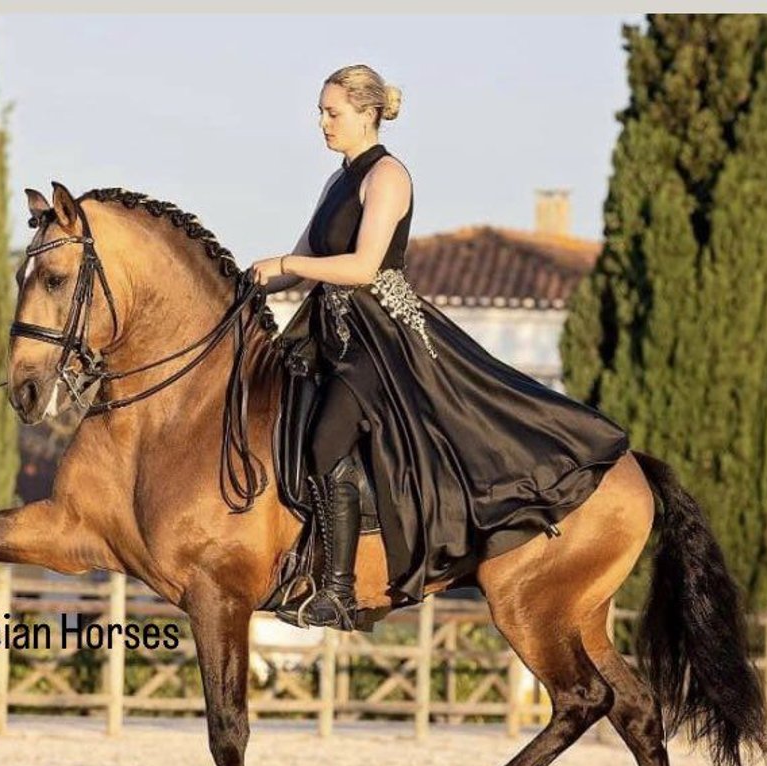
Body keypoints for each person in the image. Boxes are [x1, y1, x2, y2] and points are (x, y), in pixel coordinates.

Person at [249, 64, 630, 631]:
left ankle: (340, 590)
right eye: (322, 112)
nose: (322, 122)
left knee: (327, 442)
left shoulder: (388, 177)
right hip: (329, 331)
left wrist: (288, 265)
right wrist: (246, 283)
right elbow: (302, 258)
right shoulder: (338, 181)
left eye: (333, 112)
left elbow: (361, 266)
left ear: (368, 113)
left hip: (380, 340)